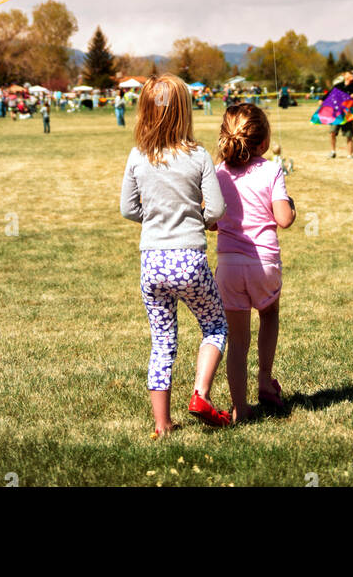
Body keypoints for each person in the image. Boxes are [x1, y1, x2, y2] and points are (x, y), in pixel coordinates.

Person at [120, 74, 230, 436]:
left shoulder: (137, 156)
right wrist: (197, 219)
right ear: (185, 111)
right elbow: (215, 209)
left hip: (152, 261)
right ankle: (200, 394)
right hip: (189, 260)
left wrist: (154, 218)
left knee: (162, 340)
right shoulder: (197, 156)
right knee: (214, 325)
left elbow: (128, 208)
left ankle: (162, 423)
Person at [212, 104, 296, 421]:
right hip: (264, 265)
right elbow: (284, 219)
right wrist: (292, 205)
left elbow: (211, 220)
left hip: (229, 268)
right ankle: (264, 379)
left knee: (237, 342)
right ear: (263, 143)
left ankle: (240, 409)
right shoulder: (272, 169)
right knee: (269, 313)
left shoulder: (218, 174)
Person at [329, 71, 353, 159]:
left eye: (350, 74)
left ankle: (350, 154)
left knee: (349, 135)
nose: (347, 74)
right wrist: (322, 99)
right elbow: (329, 95)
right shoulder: (338, 86)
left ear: (352, 78)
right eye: (347, 73)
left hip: (348, 114)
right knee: (332, 132)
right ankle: (333, 151)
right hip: (337, 113)